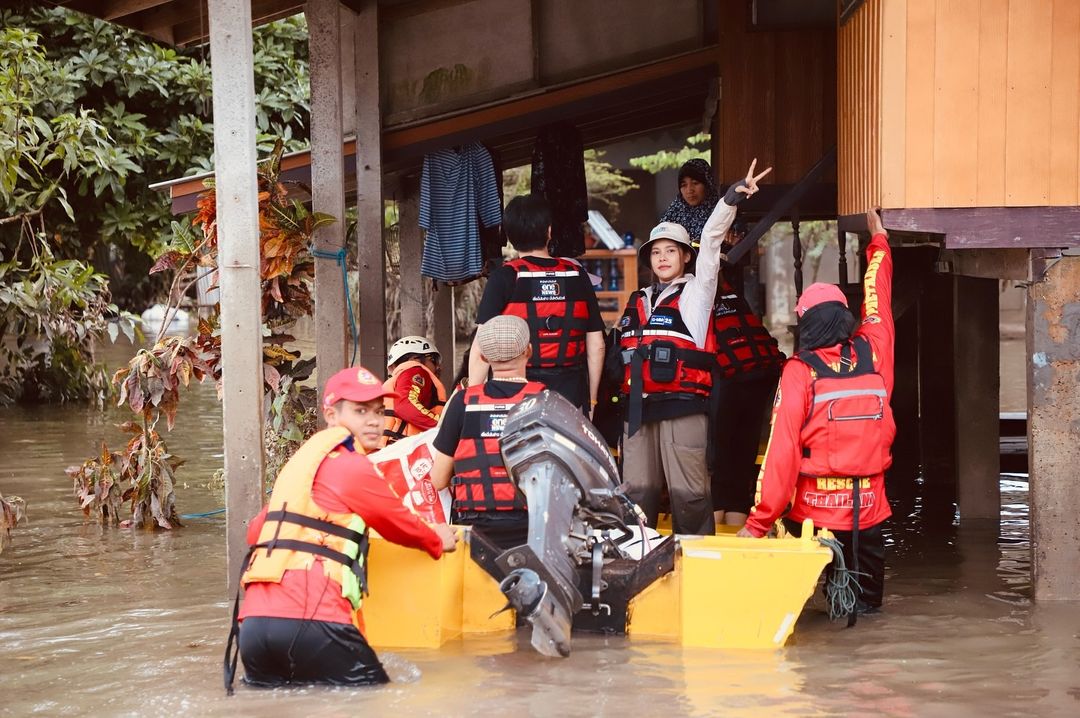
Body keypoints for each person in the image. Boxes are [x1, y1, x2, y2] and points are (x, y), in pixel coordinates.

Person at [227, 366, 459, 691]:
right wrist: (438, 538)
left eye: (379, 411)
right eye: (360, 411)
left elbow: (256, 531)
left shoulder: (299, 469)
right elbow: (398, 522)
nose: (374, 421)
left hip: (254, 627)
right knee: (376, 699)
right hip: (314, 620)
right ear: (331, 415)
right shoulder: (351, 466)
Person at [737, 209, 895, 616]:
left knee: (802, 617)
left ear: (805, 326)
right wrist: (879, 242)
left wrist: (757, 524)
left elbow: (781, 452)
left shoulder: (798, 371)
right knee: (867, 614)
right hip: (869, 511)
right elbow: (878, 297)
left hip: (810, 517)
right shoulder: (875, 349)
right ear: (845, 318)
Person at [617, 160, 771, 535]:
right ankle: (639, 569)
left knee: (689, 496)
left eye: (672, 251)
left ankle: (699, 568)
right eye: (656, 253)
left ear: (686, 256)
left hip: (682, 407)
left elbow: (713, 239)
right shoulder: (638, 300)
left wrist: (731, 197)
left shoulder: (697, 294)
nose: (663, 258)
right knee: (635, 497)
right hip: (639, 412)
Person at [468, 193, 604, 415]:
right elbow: (597, 344)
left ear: (509, 236)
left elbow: (482, 345)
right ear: (549, 231)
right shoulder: (578, 275)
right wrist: (592, 401)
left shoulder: (503, 277)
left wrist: (472, 400)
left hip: (516, 397)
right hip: (570, 396)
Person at [432, 315, 546, 550]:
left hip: (474, 528)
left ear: (483, 356)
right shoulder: (545, 401)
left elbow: (438, 479)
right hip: (532, 525)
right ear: (529, 351)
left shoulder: (463, 402)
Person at [709, 226, 785, 528]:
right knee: (741, 455)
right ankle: (737, 524)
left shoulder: (694, 296)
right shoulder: (731, 291)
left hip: (729, 380)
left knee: (717, 457)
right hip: (760, 375)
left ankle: (717, 534)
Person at [381, 336, 446, 447]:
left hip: (388, 447)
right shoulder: (415, 370)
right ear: (415, 360)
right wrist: (444, 426)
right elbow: (405, 405)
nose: (438, 367)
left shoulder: (399, 378)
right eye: (433, 360)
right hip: (399, 449)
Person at [660, 158, 720, 246]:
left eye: (695, 183)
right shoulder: (673, 215)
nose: (689, 190)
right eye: (684, 185)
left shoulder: (721, 212)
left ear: (708, 184)